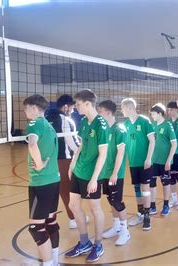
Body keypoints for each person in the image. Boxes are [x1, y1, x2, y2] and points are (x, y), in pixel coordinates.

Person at [65, 89, 107, 262]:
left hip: (91, 174)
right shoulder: (83, 121)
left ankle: (98, 244)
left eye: (78, 104)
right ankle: (84, 242)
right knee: (73, 206)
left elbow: (103, 154)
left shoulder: (101, 124)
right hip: (79, 171)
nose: (76, 107)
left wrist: (95, 178)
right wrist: (73, 162)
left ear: (88, 104)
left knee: (95, 209)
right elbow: (82, 144)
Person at [24, 94, 60, 266]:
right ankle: (54, 260)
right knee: (50, 221)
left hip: (41, 182)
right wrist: (43, 162)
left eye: (26, 108)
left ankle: (48, 263)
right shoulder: (49, 126)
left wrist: (38, 164)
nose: (25, 111)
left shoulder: (35, 123)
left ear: (33, 108)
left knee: (36, 228)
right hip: (54, 180)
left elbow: (32, 144)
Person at [45, 94, 87, 229]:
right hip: (65, 161)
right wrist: (86, 151)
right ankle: (74, 217)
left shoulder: (46, 119)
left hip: (51, 161)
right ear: (65, 107)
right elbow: (72, 144)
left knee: (62, 190)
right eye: (72, 108)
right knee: (71, 190)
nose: (73, 111)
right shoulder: (65, 120)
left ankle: (71, 217)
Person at [97, 100, 131, 246]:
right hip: (104, 172)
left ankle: (125, 231)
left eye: (100, 112)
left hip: (114, 173)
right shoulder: (103, 129)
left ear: (108, 113)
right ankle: (116, 226)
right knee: (110, 200)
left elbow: (121, 153)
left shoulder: (119, 129)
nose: (98, 115)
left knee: (117, 201)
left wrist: (115, 173)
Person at [121, 98, 155, 231]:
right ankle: (140, 213)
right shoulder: (126, 124)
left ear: (130, 108)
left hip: (144, 162)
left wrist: (148, 158)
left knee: (145, 189)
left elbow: (152, 141)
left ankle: (147, 216)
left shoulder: (144, 121)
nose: (121, 111)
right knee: (137, 189)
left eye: (123, 108)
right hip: (133, 162)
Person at [149, 103, 177, 216]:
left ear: (160, 113)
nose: (152, 116)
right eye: (151, 114)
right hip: (153, 160)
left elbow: (174, 144)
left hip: (164, 161)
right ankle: (152, 205)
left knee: (165, 183)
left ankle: (166, 204)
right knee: (152, 183)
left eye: (153, 114)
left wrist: (168, 161)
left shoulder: (167, 125)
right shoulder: (153, 125)